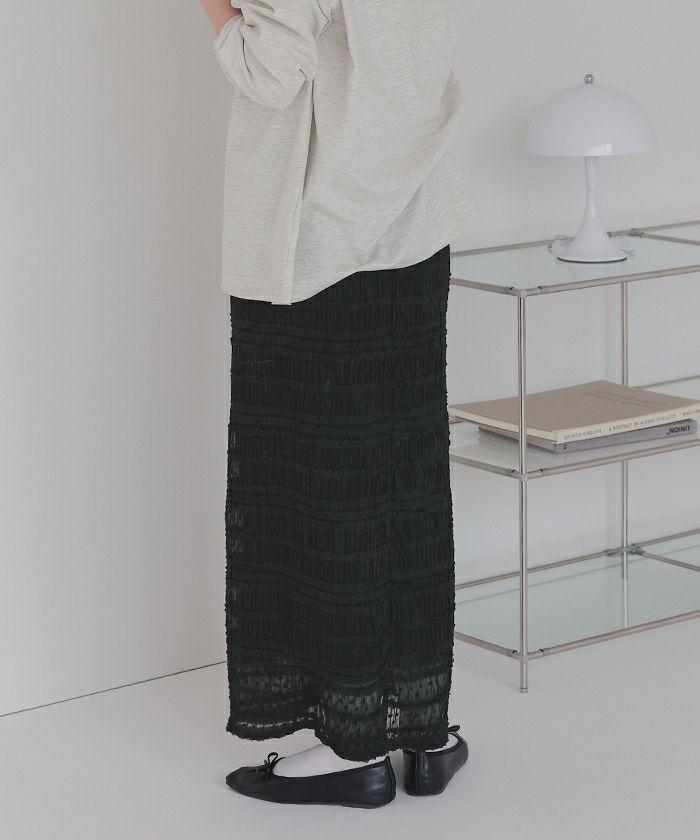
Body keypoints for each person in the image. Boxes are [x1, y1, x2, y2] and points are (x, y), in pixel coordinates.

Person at [198, 0, 478, 808]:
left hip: (316, 242)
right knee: (405, 479)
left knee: (322, 492)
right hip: (413, 226)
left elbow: (269, 70)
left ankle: (352, 750)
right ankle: (424, 731)